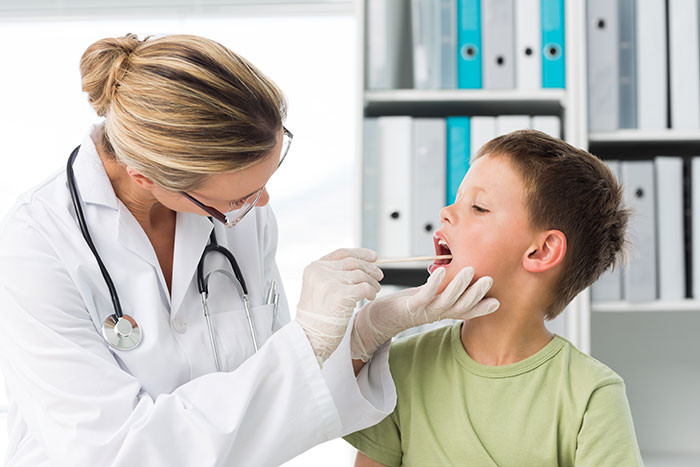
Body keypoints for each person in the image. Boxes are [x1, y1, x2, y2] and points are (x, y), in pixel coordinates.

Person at [0, 34, 496, 466]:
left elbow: (272, 399)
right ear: (145, 178)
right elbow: (118, 453)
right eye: (237, 197)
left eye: (267, 177)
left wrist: (364, 334)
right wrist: (310, 338)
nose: (260, 203)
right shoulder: (38, 246)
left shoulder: (242, 213)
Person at [345, 130, 644, 467]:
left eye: (479, 207)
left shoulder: (592, 394)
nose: (445, 212)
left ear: (541, 251)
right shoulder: (401, 368)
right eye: (456, 199)